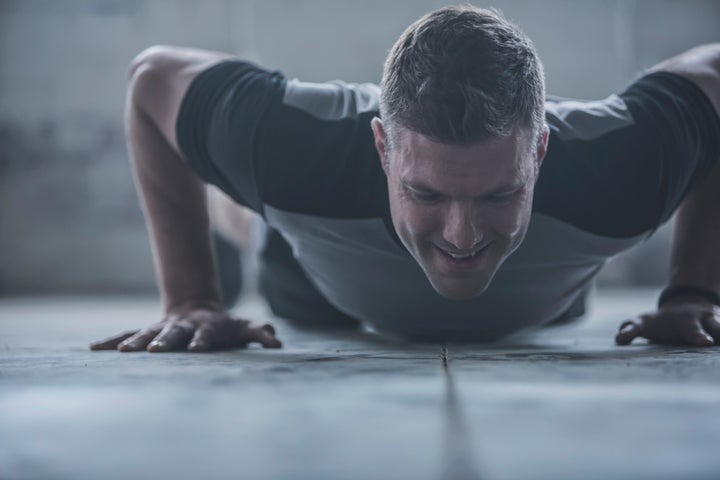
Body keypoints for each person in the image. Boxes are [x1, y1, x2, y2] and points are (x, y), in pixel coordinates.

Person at [90, 5, 720, 353]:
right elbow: (152, 78)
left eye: (500, 193)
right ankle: (239, 222)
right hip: (318, 281)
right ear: (382, 149)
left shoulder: (621, 167)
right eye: (427, 192)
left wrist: (693, 292)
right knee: (253, 215)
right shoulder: (290, 145)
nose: (463, 234)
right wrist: (192, 298)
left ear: (542, 152)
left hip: (538, 300)